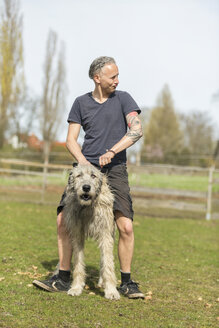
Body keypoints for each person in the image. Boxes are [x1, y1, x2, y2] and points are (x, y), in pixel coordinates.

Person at [33, 56, 144, 299]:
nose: (117, 80)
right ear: (97, 78)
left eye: (117, 75)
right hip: (85, 168)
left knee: (125, 226)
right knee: (63, 220)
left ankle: (125, 282)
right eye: (112, 76)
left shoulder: (123, 98)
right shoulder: (80, 103)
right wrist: (83, 162)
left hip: (114, 169)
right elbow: (71, 139)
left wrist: (113, 151)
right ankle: (63, 278)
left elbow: (136, 130)